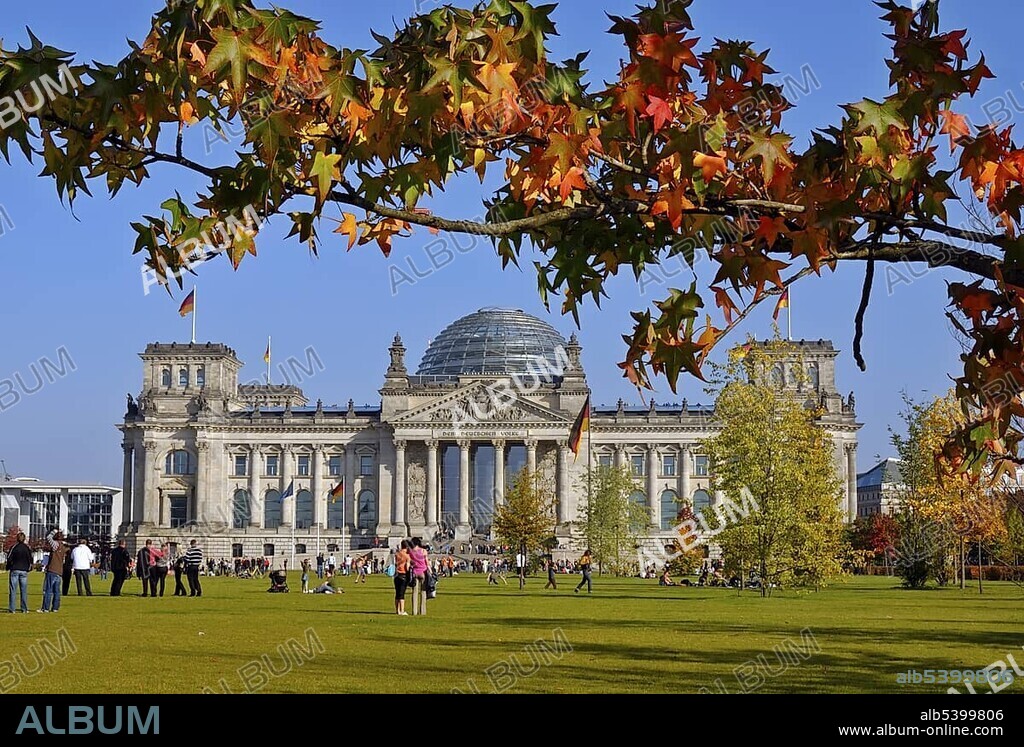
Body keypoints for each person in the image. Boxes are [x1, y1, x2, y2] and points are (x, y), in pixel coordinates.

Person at [40, 530, 68, 613]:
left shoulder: (56, 544)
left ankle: (45, 608)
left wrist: (53, 531)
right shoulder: (63, 547)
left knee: (48, 590)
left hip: (52, 569)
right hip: (59, 571)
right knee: (57, 591)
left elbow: (49, 538)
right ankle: (55, 607)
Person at [7, 532, 32, 613]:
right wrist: (29, 568)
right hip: (24, 570)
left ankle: (12, 609)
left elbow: (9, 558)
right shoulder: (27, 548)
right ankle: (24, 608)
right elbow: (30, 559)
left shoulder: (14, 547)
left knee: (13, 590)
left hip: (15, 569)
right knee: (23, 590)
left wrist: (8, 567)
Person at [410, 537, 429, 616]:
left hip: (415, 572)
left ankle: (414, 611)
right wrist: (430, 571)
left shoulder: (411, 552)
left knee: (414, 593)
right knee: (423, 592)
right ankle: (422, 611)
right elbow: (427, 562)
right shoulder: (423, 551)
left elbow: (411, 562)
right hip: (423, 572)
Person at [393, 540, 411, 615]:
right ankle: (402, 610)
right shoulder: (407, 556)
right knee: (402, 594)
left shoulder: (397, 554)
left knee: (397, 594)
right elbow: (407, 567)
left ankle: (397, 610)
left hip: (396, 575)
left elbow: (396, 564)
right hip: (403, 575)